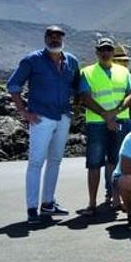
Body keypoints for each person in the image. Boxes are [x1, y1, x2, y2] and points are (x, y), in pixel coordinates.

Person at [7, 25, 80, 225]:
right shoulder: (32, 60)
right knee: (36, 162)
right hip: (41, 117)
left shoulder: (71, 61)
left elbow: (77, 85)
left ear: (63, 39)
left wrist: (78, 107)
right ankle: (32, 208)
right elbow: (13, 85)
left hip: (63, 116)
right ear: (45, 38)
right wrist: (23, 111)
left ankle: (47, 202)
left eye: (58, 36)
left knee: (55, 160)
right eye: (51, 36)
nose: (55, 40)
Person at [78, 37, 131, 215]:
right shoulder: (86, 72)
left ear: (112, 52)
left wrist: (115, 112)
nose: (105, 53)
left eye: (108, 49)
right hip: (96, 123)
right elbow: (84, 97)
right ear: (97, 52)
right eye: (102, 50)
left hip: (120, 120)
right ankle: (92, 203)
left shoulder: (123, 72)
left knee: (116, 161)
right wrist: (106, 115)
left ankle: (115, 199)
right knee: (94, 163)